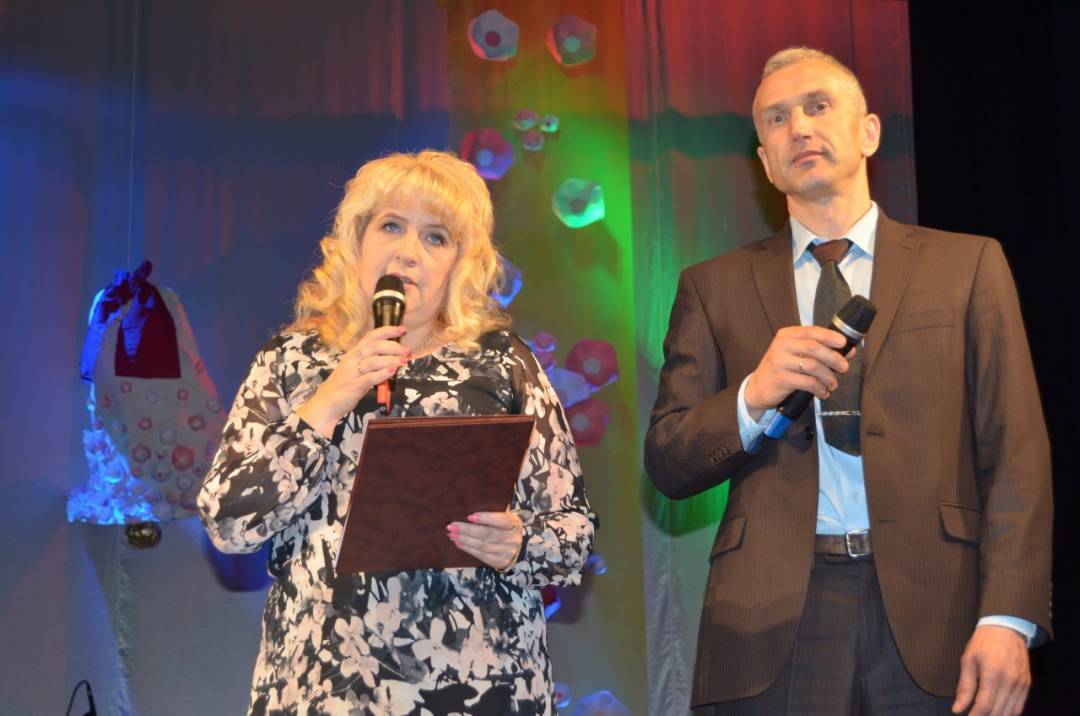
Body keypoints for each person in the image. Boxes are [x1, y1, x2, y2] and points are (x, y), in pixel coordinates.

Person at [644, 47, 1051, 716]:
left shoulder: (966, 265)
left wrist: (1007, 617)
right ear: (765, 161)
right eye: (777, 119)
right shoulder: (712, 287)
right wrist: (753, 393)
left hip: (937, 610)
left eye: (817, 106)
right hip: (769, 619)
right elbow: (667, 460)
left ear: (868, 132)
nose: (799, 128)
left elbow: (1017, 454)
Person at [198, 150, 596, 715]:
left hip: (481, 680)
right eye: (391, 226)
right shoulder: (292, 361)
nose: (409, 251)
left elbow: (573, 534)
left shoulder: (503, 363)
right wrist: (328, 400)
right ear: (356, 241)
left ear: (459, 264)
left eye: (436, 237)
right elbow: (229, 522)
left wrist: (519, 542)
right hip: (326, 683)